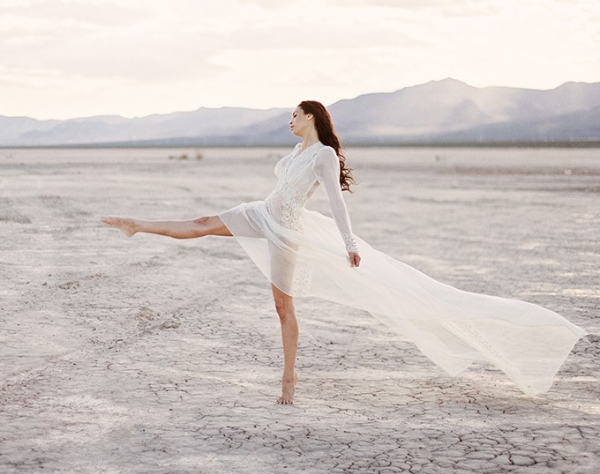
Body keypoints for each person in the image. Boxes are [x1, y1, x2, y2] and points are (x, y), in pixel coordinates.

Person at [103, 101, 586, 404]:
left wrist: (351, 245)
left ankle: (289, 379)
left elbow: (335, 203)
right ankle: (136, 225)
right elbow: (280, 189)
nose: (288, 121)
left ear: (311, 117)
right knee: (203, 224)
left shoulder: (322, 156)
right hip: (262, 211)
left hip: (286, 232)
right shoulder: (294, 153)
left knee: (281, 307)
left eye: (293, 115)